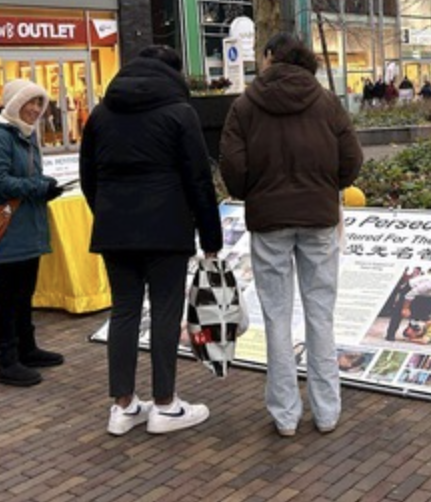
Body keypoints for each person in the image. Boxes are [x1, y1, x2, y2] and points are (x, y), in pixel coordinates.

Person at [220, 32, 363, 438]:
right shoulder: (326, 101)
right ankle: (326, 410)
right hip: (318, 219)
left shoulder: (245, 105)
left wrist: (255, 193)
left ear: (268, 58)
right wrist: (325, 186)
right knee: (320, 315)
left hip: (269, 222)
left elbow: (232, 166)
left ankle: (285, 414)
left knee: (276, 316)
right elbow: (351, 160)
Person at [80, 44, 223, 437]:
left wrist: (109, 214)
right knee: (164, 311)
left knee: (123, 312)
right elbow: (199, 180)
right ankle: (165, 405)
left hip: (114, 229)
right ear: (173, 73)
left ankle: (123, 406)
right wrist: (211, 236)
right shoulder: (180, 113)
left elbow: (88, 176)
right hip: (166, 228)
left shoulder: (100, 114)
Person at [0, 79, 65, 388]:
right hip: (8, 231)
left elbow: (25, 178)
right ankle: (6, 359)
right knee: (7, 297)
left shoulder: (24, 136)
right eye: (31, 102)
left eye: (40, 103)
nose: (36, 109)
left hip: (26, 228)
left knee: (24, 293)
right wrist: (40, 187)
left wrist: (45, 186)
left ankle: (26, 348)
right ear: (14, 103)